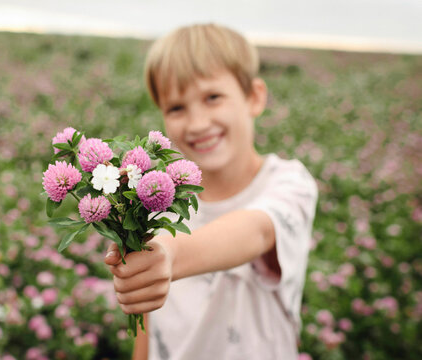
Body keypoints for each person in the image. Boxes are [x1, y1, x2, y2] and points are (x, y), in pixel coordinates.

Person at [104, 23, 318, 360]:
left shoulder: (290, 183)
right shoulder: (154, 199)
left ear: (254, 97)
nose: (198, 123)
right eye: (176, 108)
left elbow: (256, 231)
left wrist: (169, 254)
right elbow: (147, 325)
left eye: (212, 97)